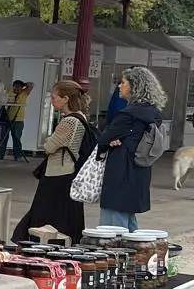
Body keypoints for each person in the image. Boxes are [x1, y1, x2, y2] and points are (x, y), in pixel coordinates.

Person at [12, 80, 90, 243]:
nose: (52, 101)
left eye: (55, 98)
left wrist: (49, 140)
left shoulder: (69, 121)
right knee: (63, 213)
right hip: (69, 170)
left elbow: (49, 146)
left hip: (58, 172)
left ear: (66, 99)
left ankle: (34, 240)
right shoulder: (81, 117)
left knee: (44, 212)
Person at [98, 66, 166, 232]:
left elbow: (104, 139)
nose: (119, 86)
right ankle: (133, 256)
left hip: (120, 171)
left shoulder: (128, 114)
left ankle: (117, 257)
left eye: (123, 83)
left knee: (112, 227)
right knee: (129, 222)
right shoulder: (152, 113)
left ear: (135, 86)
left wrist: (108, 141)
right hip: (138, 171)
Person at [5, 81, 32, 162]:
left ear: (21, 88)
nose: (16, 89)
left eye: (18, 87)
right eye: (15, 87)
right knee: (3, 138)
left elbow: (31, 85)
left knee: (16, 138)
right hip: (7, 119)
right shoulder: (8, 92)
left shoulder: (24, 94)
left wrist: (24, 84)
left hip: (18, 120)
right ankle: (0, 156)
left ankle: (18, 156)